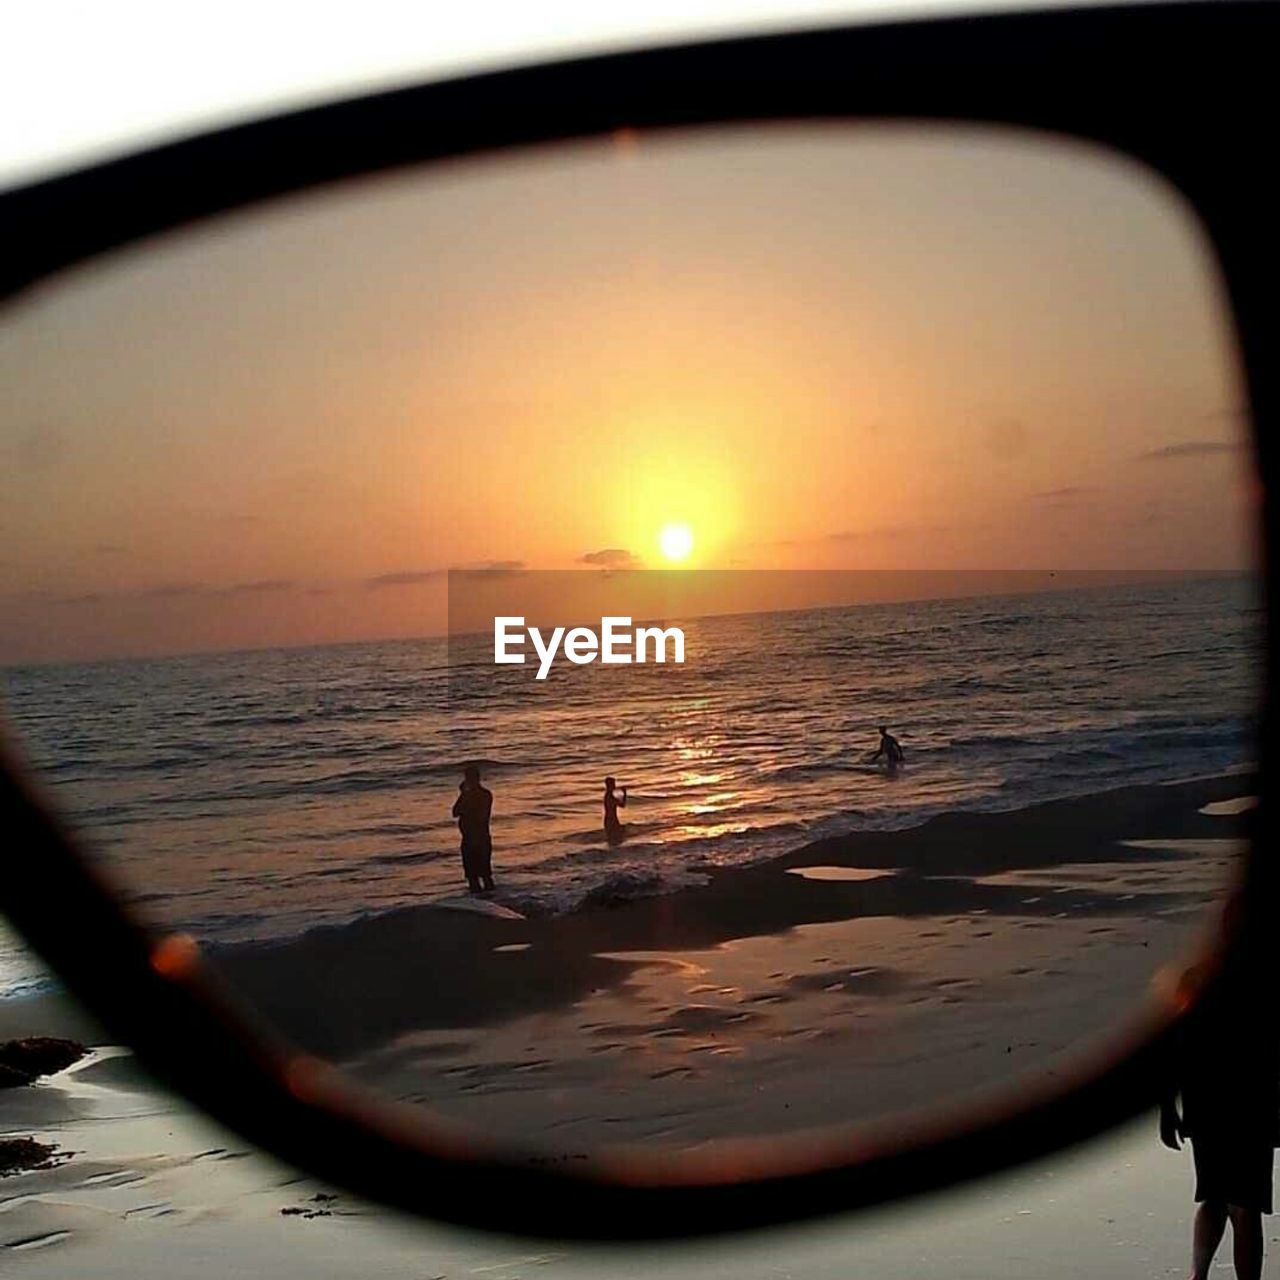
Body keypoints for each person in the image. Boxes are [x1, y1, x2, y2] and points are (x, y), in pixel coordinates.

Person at [1160, 960, 1279, 1280]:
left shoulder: (1197, 982)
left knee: (1215, 1196)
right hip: (1248, 1109)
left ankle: (1198, 1275)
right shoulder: (1253, 984)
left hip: (1209, 1109)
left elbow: (1172, 1049)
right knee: (1245, 1206)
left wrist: (1168, 1109)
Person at [451, 764, 494, 894]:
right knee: (477, 874)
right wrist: (463, 794)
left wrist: (464, 794)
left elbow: (458, 812)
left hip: (476, 839)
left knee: (481, 875)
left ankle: (489, 901)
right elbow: (455, 812)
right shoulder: (475, 795)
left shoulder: (483, 795)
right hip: (472, 838)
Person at [603, 775, 627, 845]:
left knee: (615, 839)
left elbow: (621, 805)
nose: (614, 786)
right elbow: (622, 805)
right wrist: (624, 794)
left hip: (611, 819)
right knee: (616, 838)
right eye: (613, 784)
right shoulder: (609, 796)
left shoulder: (610, 795)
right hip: (611, 820)